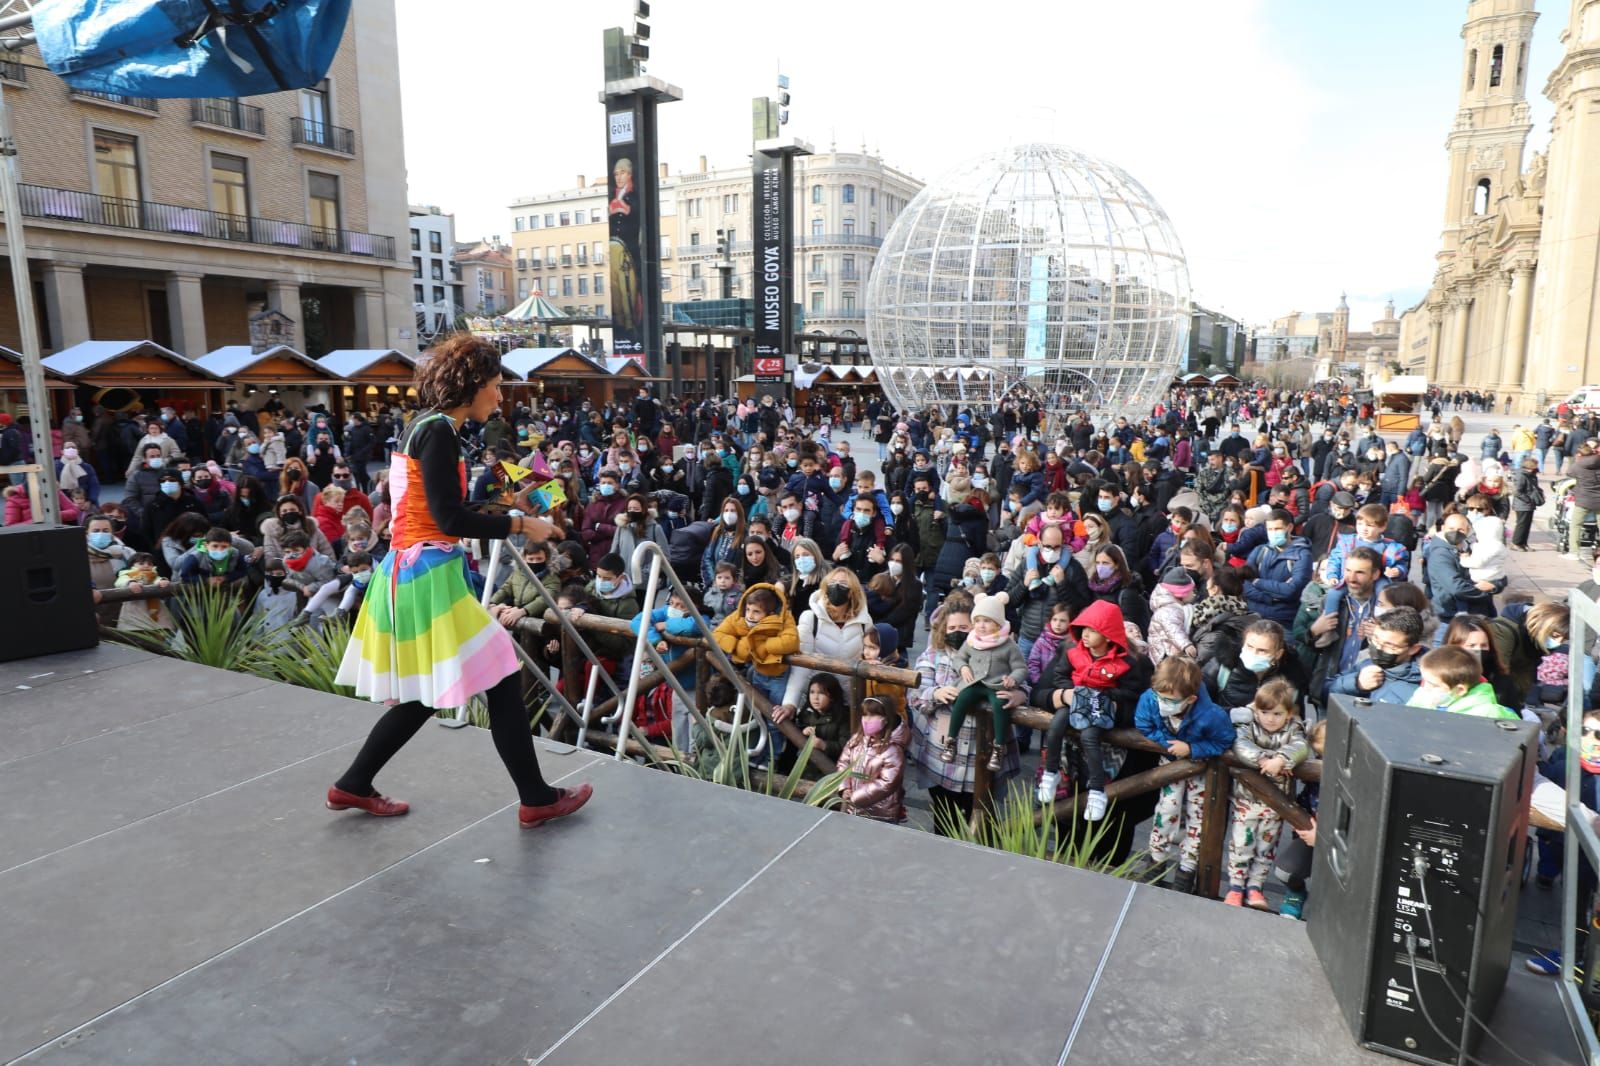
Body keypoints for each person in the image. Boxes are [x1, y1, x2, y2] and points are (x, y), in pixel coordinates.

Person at [329, 335, 588, 828]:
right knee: (501, 676)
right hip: (429, 575)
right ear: (471, 385)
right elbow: (449, 520)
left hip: (416, 571)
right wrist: (519, 524)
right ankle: (536, 798)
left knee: (429, 694)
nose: (499, 395)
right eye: (494, 385)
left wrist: (509, 509)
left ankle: (352, 785)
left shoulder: (426, 427)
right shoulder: (440, 433)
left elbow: (441, 511)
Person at [907, 593, 1022, 833]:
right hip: (943, 758)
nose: (958, 631)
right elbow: (915, 693)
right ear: (943, 629)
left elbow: (1023, 678)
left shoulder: (1001, 648)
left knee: (983, 825)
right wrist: (935, 693)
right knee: (944, 820)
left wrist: (1019, 695)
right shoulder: (933, 656)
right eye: (952, 627)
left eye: (964, 626)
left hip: (983, 757)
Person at [1136, 656, 1234, 894]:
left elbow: (1224, 739)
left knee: (1197, 818)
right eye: (1159, 696)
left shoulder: (1211, 715)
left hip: (1201, 771)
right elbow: (1143, 724)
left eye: (1169, 700)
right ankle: (1155, 863)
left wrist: (1192, 749)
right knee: (1166, 811)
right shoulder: (1150, 700)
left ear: (1190, 699)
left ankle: (1186, 870)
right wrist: (1169, 744)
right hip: (1171, 767)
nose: (1162, 703)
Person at [1036, 599, 1136, 819]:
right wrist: (1067, 693)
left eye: (1092, 630)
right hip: (1074, 703)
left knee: (1090, 736)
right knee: (1055, 727)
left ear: (1108, 635)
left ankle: (1097, 791)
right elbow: (1050, 682)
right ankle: (1051, 773)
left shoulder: (1128, 662)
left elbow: (1132, 695)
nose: (1085, 635)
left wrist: (1107, 697)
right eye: (1083, 629)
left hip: (1100, 710)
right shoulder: (1072, 651)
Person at [1225, 677, 1308, 910]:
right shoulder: (1248, 725)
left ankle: (1255, 887)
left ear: (1288, 714)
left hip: (1276, 803)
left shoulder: (1294, 729)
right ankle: (1235, 886)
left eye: (1277, 714)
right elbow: (1240, 745)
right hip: (1247, 799)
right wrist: (1262, 759)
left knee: (1266, 848)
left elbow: (1302, 746)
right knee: (1241, 844)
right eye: (1265, 712)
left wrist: (1282, 758)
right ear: (1256, 710)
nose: (1270, 719)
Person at [939, 592, 1026, 773]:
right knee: (962, 699)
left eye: (986, 621)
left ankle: (999, 746)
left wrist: (1013, 679)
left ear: (998, 623)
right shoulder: (972, 641)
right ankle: (951, 740)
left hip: (995, 685)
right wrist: (963, 667)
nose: (981, 626)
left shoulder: (1008, 645)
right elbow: (960, 658)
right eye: (977, 621)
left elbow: (1021, 668)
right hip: (974, 682)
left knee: (1000, 705)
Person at [713, 583, 799, 760]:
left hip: (778, 676)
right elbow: (719, 633)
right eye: (748, 609)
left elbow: (791, 641)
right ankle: (755, 755)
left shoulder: (783, 618)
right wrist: (740, 646)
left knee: (775, 720)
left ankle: (772, 759)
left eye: (756, 612)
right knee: (757, 716)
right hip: (758, 673)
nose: (750, 615)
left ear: (768, 613)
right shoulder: (739, 617)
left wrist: (763, 646)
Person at [1274, 718, 1327, 921]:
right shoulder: (1317, 772)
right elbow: (1305, 799)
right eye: (1320, 754)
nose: (1322, 759)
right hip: (1312, 831)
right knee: (1285, 872)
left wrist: (1323, 837)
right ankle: (1296, 893)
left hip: (1344, 842)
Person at [1328, 605, 1426, 704]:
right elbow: (1325, 691)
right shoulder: (1368, 664)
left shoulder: (1423, 687)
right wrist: (1355, 683)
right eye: (1375, 639)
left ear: (1413, 649)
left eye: (1390, 646)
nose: (1379, 648)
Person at [837, 695, 907, 822]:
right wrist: (845, 787)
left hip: (881, 814)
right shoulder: (856, 740)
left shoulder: (892, 750)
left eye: (873, 715)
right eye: (864, 715)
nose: (867, 720)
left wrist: (856, 797)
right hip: (853, 809)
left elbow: (887, 783)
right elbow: (844, 763)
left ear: (886, 719)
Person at [1244, 508, 1312, 626]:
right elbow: (1244, 583)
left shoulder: (1302, 555)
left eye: (1278, 529)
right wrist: (1267, 598)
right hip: (1254, 616)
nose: (1273, 533)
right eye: (1270, 529)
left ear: (1289, 527)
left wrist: (1257, 582)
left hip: (1283, 620)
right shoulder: (1260, 550)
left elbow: (1291, 590)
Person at [1407, 645, 1516, 718]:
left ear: (1460, 690)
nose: (1425, 687)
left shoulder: (1488, 714)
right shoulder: (1422, 698)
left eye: (1433, 685)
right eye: (1424, 680)